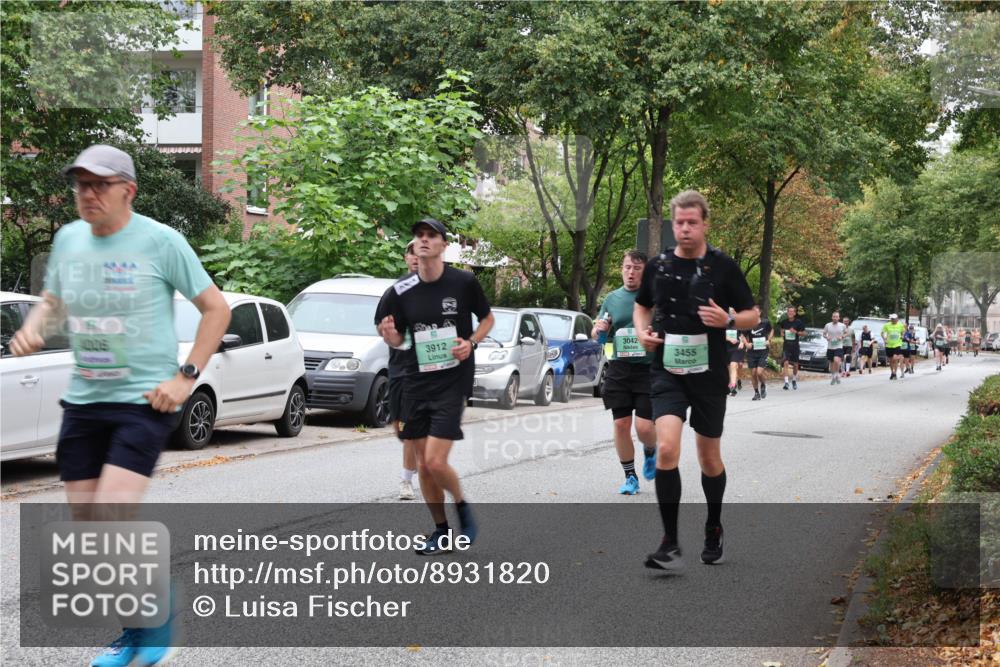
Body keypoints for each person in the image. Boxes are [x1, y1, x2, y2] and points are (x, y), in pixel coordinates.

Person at [10, 144, 231, 667]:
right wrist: (35, 325)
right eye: (80, 184)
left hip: (144, 401)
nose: (87, 194)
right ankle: (135, 628)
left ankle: (155, 623)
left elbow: (216, 309)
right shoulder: (68, 239)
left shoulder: (161, 242)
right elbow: (55, 299)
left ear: (127, 191)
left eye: (99, 185)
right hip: (85, 400)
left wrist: (186, 377)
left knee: (113, 511)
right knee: (90, 529)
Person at [633, 190, 757, 570]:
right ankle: (669, 542)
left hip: (709, 374)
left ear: (704, 224)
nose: (685, 229)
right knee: (667, 448)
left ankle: (713, 524)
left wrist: (730, 321)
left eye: (692, 223)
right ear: (673, 224)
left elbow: (753, 313)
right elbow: (642, 306)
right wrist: (642, 334)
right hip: (668, 370)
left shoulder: (722, 267)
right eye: (679, 223)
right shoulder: (659, 266)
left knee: (709, 458)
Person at [376, 218, 495, 555]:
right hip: (414, 380)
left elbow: (487, 320)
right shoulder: (400, 292)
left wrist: (470, 342)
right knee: (424, 465)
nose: (424, 241)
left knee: (436, 462)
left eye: (432, 236)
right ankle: (441, 531)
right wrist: (391, 336)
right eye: (419, 236)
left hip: (452, 380)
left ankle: (462, 507)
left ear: (444, 245)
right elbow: (396, 336)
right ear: (414, 246)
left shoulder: (464, 283)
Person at [593, 250, 657, 495]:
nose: (631, 272)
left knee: (643, 428)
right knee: (621, 424)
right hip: (620, 368)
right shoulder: (612, 298)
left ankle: (650, 450)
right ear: (621, 269)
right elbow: (599, 333)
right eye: (627, 267)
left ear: (645, 272)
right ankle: (630, 476)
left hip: (647, 369)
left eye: (637, 268)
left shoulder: (653, 298)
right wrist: (598, 328)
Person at [375, 241, 421, 500]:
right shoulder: (396, 291)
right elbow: (379, 325)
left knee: (414, 427)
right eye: (412, 254)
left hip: (429, 370)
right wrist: (389, 333)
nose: (416, 258)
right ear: (406, 259)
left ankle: (406, 480)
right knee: (401, 428)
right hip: (401, 368)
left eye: (421, 253)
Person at [745, 305, 771, 401]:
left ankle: (763, 385)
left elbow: (771, 330)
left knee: (759, 372)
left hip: (763, 351)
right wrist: (746, 344)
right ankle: (756, 393)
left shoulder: (765, 322)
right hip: (752, 352)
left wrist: (769, 340)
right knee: (753, 373)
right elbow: (742, 335)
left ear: (759, 313)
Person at [777, 305, 805, 390]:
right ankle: (786, 382)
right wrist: (781, 333)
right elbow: (781, 330)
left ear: (795, 313)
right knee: (785, 363)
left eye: (792, 311)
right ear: (787, 312)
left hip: (795, 346)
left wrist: (796, 332)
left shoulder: (798, 322)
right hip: (786, 345)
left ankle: (794, 380)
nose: (790, 313)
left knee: (795, 364)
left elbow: (804, 333)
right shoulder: (784, 322)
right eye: (789, 311)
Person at [725, 316, 747, 397]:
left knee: (733, 365)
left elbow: (742, 336)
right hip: (726, 349)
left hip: (736, 349)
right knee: (728, 368)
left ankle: (733, 387)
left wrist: (742, 342)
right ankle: (729, 384)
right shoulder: (723, 325)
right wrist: (729, 339)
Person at [823, 311, 847, 384]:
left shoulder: (842, 325)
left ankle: (837, 374)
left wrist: (842, 336)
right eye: (834, 316)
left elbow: (846, 333)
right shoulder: (828, 325)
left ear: (839, 318)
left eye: (836, 317)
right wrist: (827, 337)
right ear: (832, 317)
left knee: (836, 360)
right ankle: (834, 376)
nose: (835, 318)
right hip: (830, 346)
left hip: (838, 346)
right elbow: (824, 334)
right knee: (832, 363)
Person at [882, 313, 905, 380]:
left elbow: (903, 331)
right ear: (891, 319)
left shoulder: (900, 325)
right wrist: (884, 339)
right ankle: (892, 373)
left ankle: (895, 372)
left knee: (895, 358)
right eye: (892, 319)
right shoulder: (886, 325)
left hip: (897, 344)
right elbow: (882, 333)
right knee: (891, 360)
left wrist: (902, 335)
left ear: (897, 319)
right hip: (889, 345)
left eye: (895, 319)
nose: (894, 320)